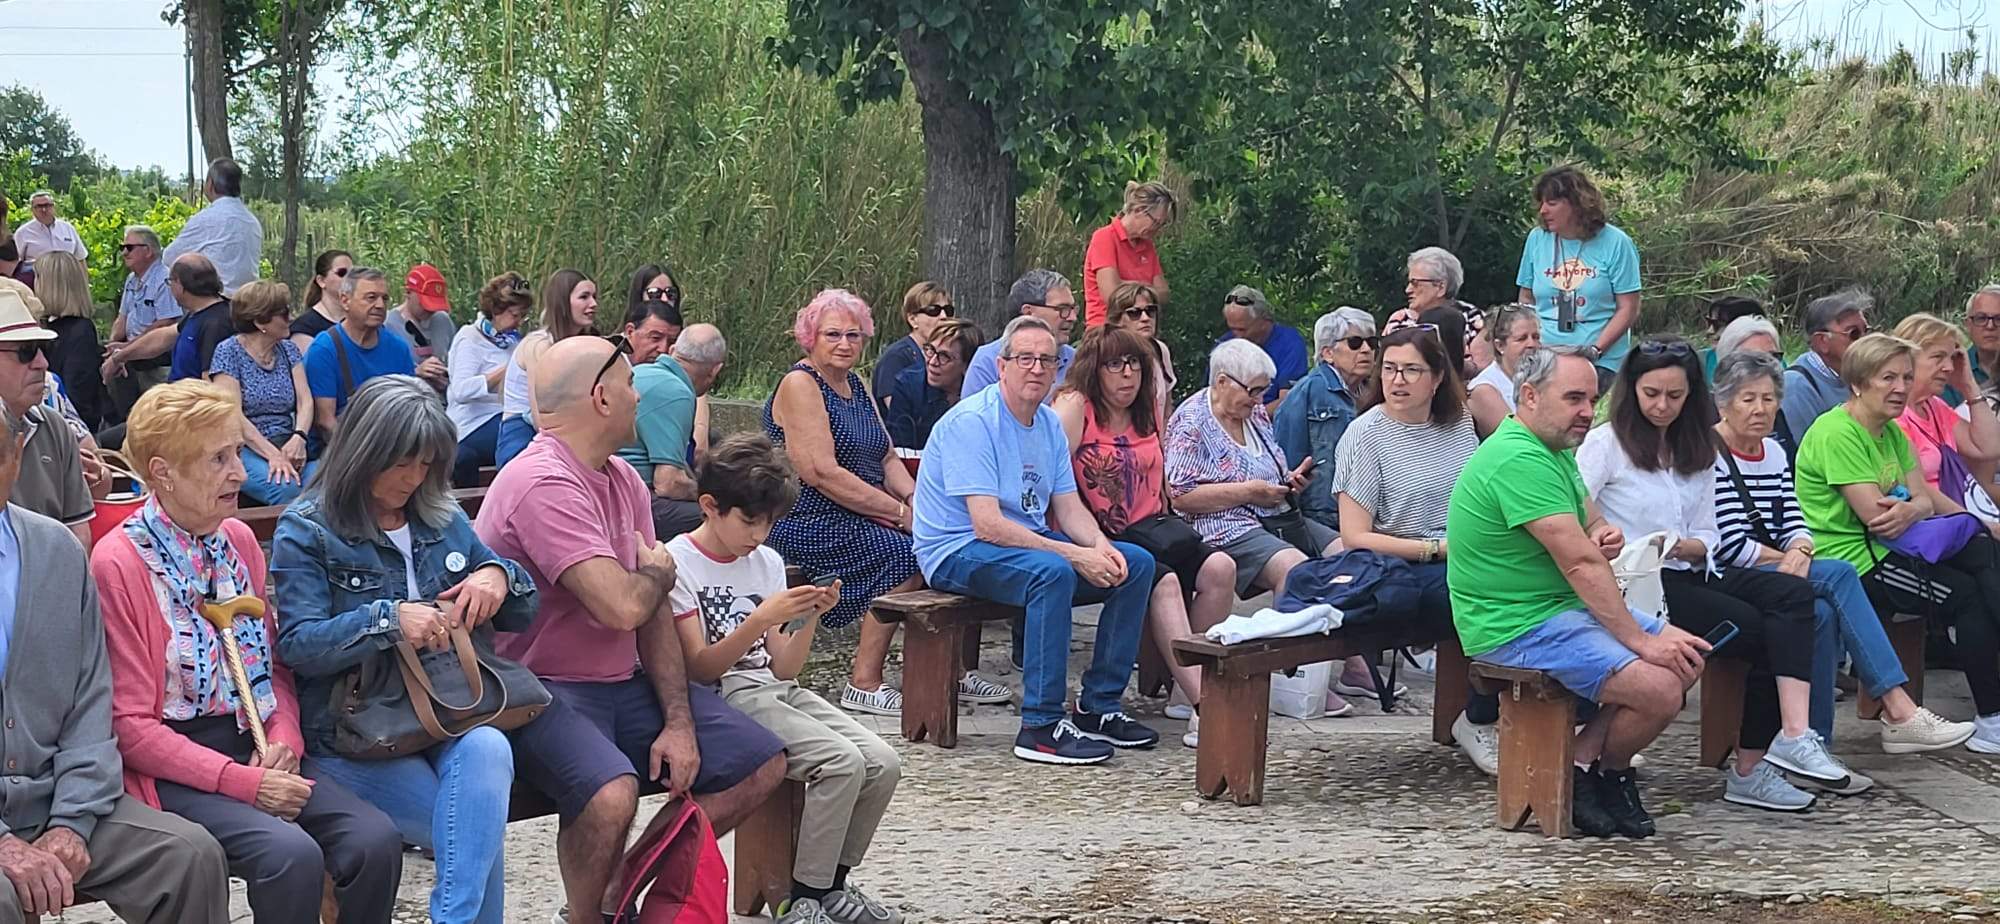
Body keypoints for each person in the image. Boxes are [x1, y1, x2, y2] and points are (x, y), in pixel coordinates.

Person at [478, 336, 786, 924]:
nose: (638, 392)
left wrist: (678, 721)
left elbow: (652, 614)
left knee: (761, 762)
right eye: (627, 383)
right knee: (610, 793)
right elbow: (622, 606)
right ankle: (587, 916)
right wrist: (653, 576)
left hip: (622, 682)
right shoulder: (543, 481)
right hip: (541, 689)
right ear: (600, 398)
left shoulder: (620, 476)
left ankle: (628, 883)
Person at [93, 380, 403, 922]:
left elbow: (274, 665)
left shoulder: (236, 540)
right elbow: (130, 726)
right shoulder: (119, 562)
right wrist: (245, 783)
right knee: (289, 855)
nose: (240, 472)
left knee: (374, 840)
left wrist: (284, 736)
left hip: (256, 738)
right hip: (174, 762)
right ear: (162, 472)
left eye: (237, 451)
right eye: (219, 458)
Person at [271, 376, 541, 923]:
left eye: (427, 465)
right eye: (403, 464)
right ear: (366, 452)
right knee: (474, 833)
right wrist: (387, 620)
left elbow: (522, 609)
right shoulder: (308, 528)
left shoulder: (439, 516)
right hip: (358, 733)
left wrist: (496, 576)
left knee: (489, 749)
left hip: (449, 713)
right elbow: (298, 645)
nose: (414, 478)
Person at [1579, 336, 1852, 812]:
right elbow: (1573, 503)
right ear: (1632, 390)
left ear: (1692, 397)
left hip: (1690, 568)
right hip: (1636, 582)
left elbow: (1709, 530)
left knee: (1792, 596)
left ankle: (1789, 737)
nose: (1662, 406)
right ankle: (1752, 765)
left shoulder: (1696, 447)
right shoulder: (1608, 443)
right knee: (1766, 630)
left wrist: (1688, 544)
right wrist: (1605, 531)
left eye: (1675, 395)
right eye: (1652, 394)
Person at [1449, 345, 1708, 838]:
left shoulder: (1554, 447)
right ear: (1528, 395)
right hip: (1512, 624)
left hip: (1559, 611)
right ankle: (1603, 771)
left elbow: (1591, 524)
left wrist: (1604, 529)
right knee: (1658, 685)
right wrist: (1639, 639)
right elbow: (1580, 562)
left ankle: (1590, 765)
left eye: (1592, 399)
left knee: (1687, 657)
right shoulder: (1516, 459)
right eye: (1574, 398)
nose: (1588, 412)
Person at [0, 409, 232, 924]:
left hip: (55, 797)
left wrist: (71, 820)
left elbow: (90, 699)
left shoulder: (57, 551)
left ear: (16, 457)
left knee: (188, 857)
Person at [668, 434, 907, 924]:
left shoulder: (768, 562)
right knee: (841, 763)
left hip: (773, 689)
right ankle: (802, 898)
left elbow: (784, 668)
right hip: (723, 696)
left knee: (883, 761)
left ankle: (831, 886)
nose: (758, 534)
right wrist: (757, 621)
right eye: (749, 521)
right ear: (710, 506)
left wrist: (809, 616)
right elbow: (701, 668)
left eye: (769, 523)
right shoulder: (679, 562)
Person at [916, 316, 1160, 764]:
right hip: (956, 548)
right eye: (1024, 358)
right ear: (1002, 365)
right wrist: (1073, 554)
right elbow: (987, 525)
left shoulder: (1048, 424)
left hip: (1022, 542)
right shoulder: (973, 422)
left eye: (1046, 360)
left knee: (1136, 564)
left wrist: (1100, 546)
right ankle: (1041, 725)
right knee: (1051, 575)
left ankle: (1098, 706)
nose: (1036, 368)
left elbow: (1068, 508)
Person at [1710, 351, 1975, 754]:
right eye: (1748, 399)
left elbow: (1793, 518)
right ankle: (1899, 709)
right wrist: (1789, 558)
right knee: (1836, 574)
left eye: (1768, 399)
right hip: (1727, 571)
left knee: (1819, 613)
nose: (1760, 410)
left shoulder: (1774, 452)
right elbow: (1726, 541)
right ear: (1723, 402)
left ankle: (1816, 747)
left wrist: (1799, 546)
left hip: (1781, 565)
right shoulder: (1707, 455)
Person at [766, 290, 1009, 714]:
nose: (845, 344)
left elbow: (886, 455)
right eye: (834, 335)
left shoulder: (856, 385)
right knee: (906, 555)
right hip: (806, 515)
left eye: (854, 335)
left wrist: (919, 503)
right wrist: (899, 514)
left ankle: (950, 670)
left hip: (859, 511)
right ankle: (864, 680)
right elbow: (820, 473)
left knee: (944, 546)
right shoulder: (801, 384)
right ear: (811, 337)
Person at [1795, 333, 2000, 753]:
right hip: (1855, 562)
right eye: (1887, 377)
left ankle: (1992, 716)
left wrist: (1913, 507)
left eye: (1907, 377)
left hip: (1895, 549)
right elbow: (1877, 518)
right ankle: (1991, 719)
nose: (1901, 387)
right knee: (1964, 596)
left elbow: (1921, 499)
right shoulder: (1838, 433)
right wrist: (1913, 507)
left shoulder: (1890, 432)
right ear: (1858, 382)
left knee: (1983, 549)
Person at [1056, 326, 1235, 749]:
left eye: (1134, 364)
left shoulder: (1147, 410)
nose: (1127, 375)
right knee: (1164, 581)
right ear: (1093, 370)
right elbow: (1054, 484)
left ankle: (1185, 684)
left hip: (1152, 526)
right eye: (1115, 365)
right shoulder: (1075, 407)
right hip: (1097, 532)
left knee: (1221, 568)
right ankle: (1205, 704)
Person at [1332, 326, 1494, 768]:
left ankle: (1545, 710)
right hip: (1395, 566)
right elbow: (1355, 536)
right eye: (1389, 369)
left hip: (1464, 555)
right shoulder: (1365, 434)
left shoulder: (1460, 423)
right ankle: (1481, 717)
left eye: (1410, 370)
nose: (1397, 380)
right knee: (1481, 596)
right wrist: (1435, 550)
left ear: (1438, 377)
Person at [1515, 166, 1643, 390]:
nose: (1543, 210)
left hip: (1599, 357)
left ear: (1577, 204)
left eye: (1552, 203)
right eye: (1541, 203)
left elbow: (1628, 308)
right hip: (1545, 354)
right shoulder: (1536, 239)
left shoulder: (1616, 243)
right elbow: (1526, 297)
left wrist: (1595, 350)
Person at [208, 280, 317, 506]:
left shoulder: (288, 350)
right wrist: (273, 455)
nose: (291, 317)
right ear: (260, 321)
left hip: (288, 439)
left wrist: (299, 437)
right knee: (285, 487)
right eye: (284, 313)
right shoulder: (228, 351)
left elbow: (305, 401)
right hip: (243, 446)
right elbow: (232, 414)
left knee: (330, 478)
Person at [0, 288, 92, 547]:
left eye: (42, 348)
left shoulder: (54, 427)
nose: (42, 363)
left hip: (50, 580)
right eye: (26, 351)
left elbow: (78, 531)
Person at [621, 323, 728, 540]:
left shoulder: (640, 371)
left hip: (612, 487)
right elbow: (668, 484)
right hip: (635, 499)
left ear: (672, 351)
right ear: (715, 369)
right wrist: (716, 496)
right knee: (727, 518)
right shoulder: (677, 393)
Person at [1273, 307, 1375, 531]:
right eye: (1355, 343)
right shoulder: (1311, 391)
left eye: (1372, 342)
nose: (1367, 349)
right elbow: (1287, 458)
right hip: (1324, 516)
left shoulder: (1372, 391)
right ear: (1328, 353)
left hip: (1360, 510)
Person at [1889, 313, 2000, 504]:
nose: (1949, 367)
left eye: (1951, 358)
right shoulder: (1893, 414)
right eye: (1938, 357)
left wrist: (1969, 386)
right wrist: (1975, 521)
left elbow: (1989, 448)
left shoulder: (1934, 407)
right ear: (1907, 359)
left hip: (1956, 517)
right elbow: (1915, 486)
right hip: (1932, 520)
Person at [496, 268, 598, 467]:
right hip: (523, 435)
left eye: (594, 297)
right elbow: (541, 416)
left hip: (566, 433)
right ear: (562, 302)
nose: (593, 304)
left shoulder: (586, 344)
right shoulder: (539, 345)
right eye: (584, 297)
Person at [305, 267, 416, 437]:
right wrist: (364, 458)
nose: (380, 305)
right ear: (345, 301)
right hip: (339, 449)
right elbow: (326, 422)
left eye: (384, 299)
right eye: (371, 298)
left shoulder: (398, 349)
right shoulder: (325, 349)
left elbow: (410, 410)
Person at [447, 272, 530, 487]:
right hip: (472, 423)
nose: (518, 322)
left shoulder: (511, 342)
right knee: (522, 440)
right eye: (514, 315)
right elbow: (461, 391)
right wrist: (507, 371)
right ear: (496, 310)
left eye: (522, 316)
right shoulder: (469, 338)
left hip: (503, 415)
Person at [1779, 288, 1873, 455]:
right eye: (1854, 334)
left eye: (1867, 332)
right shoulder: (1797, 386)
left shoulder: (1860, 376)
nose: (1865, 341)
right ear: (1822, 341)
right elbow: (1812, 452)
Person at [960, 269, 1078, 401]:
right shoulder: (987, 361)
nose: (1072, 318)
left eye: (1074, 309)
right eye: (1063, 309)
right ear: (1028, 313)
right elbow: (972, 418)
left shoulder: (1078, 361)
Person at [102, 225, 180, 415]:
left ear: (148, 251)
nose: (124, 253)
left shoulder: (164, 280)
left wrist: (125, 348)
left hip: (156, 361)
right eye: (122, 248)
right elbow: (123, 317)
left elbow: (165, 324)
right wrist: (113, 344)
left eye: (129, 248)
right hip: (132, 356)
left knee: (156, 413)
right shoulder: (131, 280)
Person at [162, 157, 264, 296]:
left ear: (210, 184)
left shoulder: (207, 219)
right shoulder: (252, 221)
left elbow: (169, 257)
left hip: (216, 303)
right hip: (249, 301)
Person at [1083, 181, 1176, 328]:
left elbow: (1164, 294)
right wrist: (1148, 289)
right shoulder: (1105, 237)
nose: (1158, 230)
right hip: (1106, 331)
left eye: (1162, 225)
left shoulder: (1147, 246)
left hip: (1140, 331)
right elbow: (1111, 294)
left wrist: (1125, 284)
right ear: (1139, 210)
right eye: (1156, 222)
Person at [1386, 246, 1490, 372]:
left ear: (1441, 287)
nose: (1407, 290)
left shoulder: (1474, 319)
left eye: (1415, 283)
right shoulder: (1400, 320)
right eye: (1408, 283)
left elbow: (1484, 370)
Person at [33, 251, 104, 432]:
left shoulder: (80, 332)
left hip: (72, 431)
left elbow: (78, 393)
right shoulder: (47, 326)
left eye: (38, 277)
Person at [883, 318, 979, 450]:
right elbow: (900, 448)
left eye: (944, 356)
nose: (932, 362)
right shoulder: (907, 385)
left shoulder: (981, 392)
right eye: (930, 350)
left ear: (967, 365)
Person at [1215, 285, 1307, 409]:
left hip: (1270, 422)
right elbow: (1213, 395)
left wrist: (1255, 420)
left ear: (1264, 321)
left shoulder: (1290, 344)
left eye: (1242, 329)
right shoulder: (1225, 344)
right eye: (1232, 329)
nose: (1237, 336)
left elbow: (1289, 401)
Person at [871, 281, 953, 418]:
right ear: (913, 319)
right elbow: (899, 414)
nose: (943, 317)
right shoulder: (896, 358)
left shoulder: (951, 356)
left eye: (948, 310)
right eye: (933, 310)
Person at [1468, 303, 1541, 438]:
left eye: (1536, 337)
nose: (1531, 344)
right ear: (1500, 345)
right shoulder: (1484, 389)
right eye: (1522, 338)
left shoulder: (1543, 378)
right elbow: (1517, 440)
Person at [1102, 282, 1177, 410]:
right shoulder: (1107, 354)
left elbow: (1167, 404)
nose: (1145, 318)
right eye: (1134, 313)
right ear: (1117, 319)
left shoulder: (1160, 349)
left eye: (1150, 311)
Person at [167, 255, 235, 383]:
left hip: (193, 399)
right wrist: (123, 354)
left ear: (180, 284)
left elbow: (210, 379)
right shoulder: (196, 313)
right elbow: (163, 336)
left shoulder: (217, 324)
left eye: (170, 281)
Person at [397, 263, 455, 392]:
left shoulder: (443, 320)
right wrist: (416, 372)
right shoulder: (387, 326)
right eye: (425, 304)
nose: (430, 311)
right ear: (408, 293)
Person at [290, 250, 353, 354]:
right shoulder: (304, 327)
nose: (349, 279)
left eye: (352, 274)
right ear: (321, 281)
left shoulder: (359, 320)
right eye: (342, 273)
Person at [1700, 295, 1769, 381]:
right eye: (1709, 322)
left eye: (1718, 324)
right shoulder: (1701, 361)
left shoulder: (1773, 363)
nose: (1710, 331)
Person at [11, 190, 86, 262]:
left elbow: (80, 258)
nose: (43, 209)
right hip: (37, 274)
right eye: (39, 206)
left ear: (53, 207)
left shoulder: (68, 228)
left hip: (68, 274)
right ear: (32, 209)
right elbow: (16, 263)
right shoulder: (23, 233)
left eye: (47, 205)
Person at [1962, 285, 2000, 402]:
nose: (1990, 326)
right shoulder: (1953, 370)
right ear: (1967, 324)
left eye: (1999, 319)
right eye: (1981, 318)